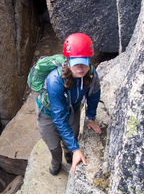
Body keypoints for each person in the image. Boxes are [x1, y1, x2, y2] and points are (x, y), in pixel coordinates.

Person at [36, 33, 101, 175]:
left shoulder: (91, 74)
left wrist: (91, 118)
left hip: (73, 108)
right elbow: (59, 117)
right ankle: (56, 162)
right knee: (53, 144)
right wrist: (77, 149)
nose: (80, 67)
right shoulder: (55, 80)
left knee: (72, 135)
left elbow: (94, 95)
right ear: (68, 60)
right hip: (47, 113)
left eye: (84, 62)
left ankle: (68, 153)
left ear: (89, 60)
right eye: (76, 62)